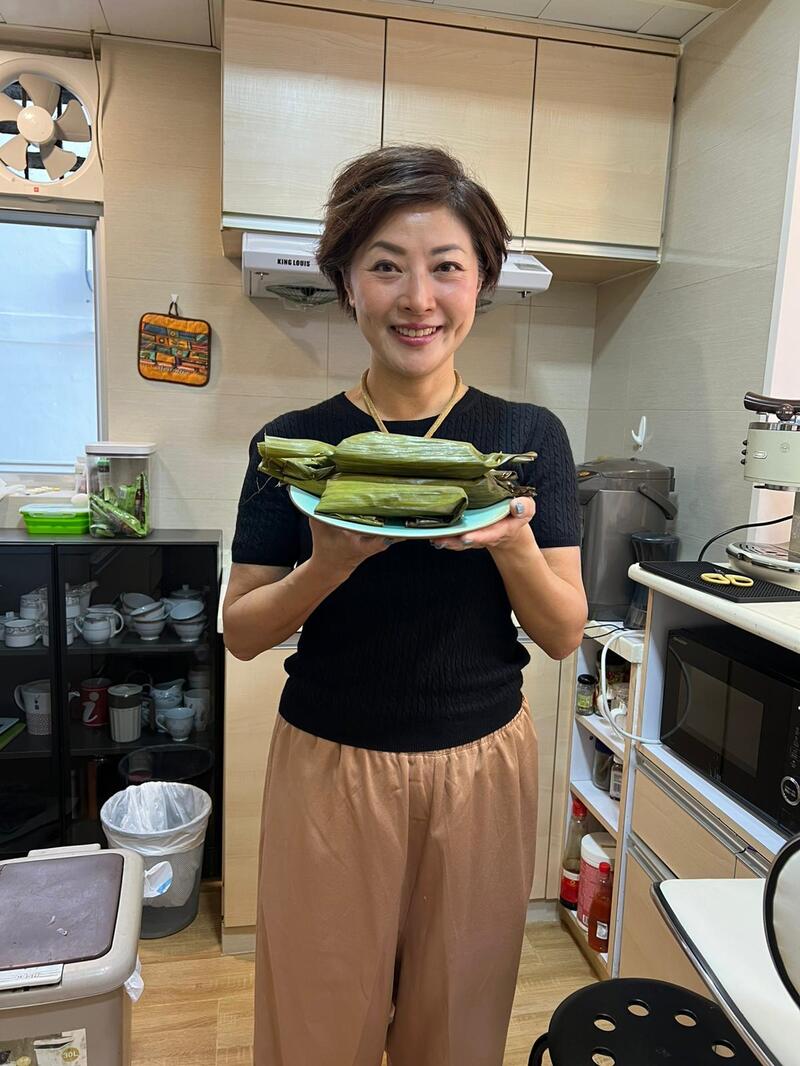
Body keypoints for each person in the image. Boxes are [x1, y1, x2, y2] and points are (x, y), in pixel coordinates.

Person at [223, 144, 588, 1066]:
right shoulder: (294, 445)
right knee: (317, 1028)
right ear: (347, 283)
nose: (417, 299)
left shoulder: (526, 439)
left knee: (456, 1030)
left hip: (482, 766)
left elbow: (562, 632)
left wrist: (511, 542)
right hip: (330, 765)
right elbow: (241, 630)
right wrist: (326, 566)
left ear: (482, 283)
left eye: (446, 268)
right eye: (386, 266)